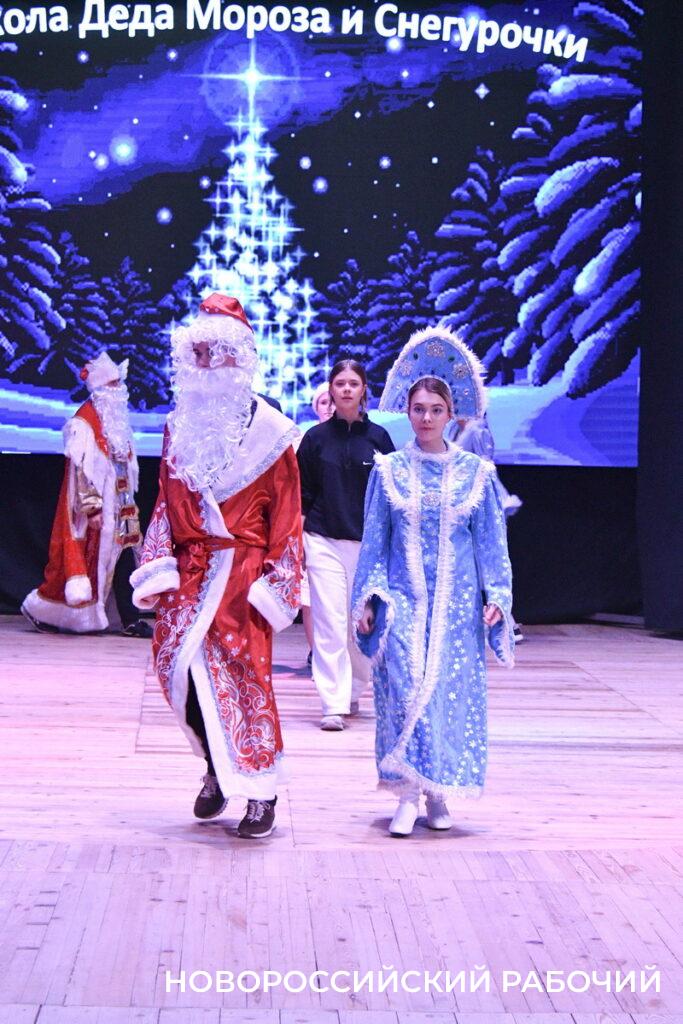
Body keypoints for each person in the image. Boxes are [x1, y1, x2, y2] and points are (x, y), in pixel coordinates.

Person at [130, 294, 302, 840]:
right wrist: (159, 564)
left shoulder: (273, 434)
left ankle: (261, 792)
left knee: (245, 679)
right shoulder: (177, 426)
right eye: (197, 352)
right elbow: (165, 500)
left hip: (243, 575)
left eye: (214, 352)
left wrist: (277, 583)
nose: (204, 363)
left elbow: (288, 516)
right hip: (189, 572)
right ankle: (216, 767)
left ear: (237, 357)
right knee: (176, 669)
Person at [352, 326, 515, 837]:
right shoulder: (389, 470)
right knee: (402, 691)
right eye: (418, 409)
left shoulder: (474, 473)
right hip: (402, 602)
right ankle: (406, 794)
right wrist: (369, 596)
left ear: (450, 414)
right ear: (407, 411)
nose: (426, 418)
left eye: (435, 410)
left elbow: (491, 543)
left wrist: (498, 596)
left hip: (455, 608)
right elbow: (374, 541)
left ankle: (438, 791)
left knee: (444, 696)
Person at [297, 359, 395, 731]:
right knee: (329, 621)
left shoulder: (379, 439)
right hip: (322, 540)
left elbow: (390, 498)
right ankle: (332, 702)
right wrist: (298, 543)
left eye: (354, 383)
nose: (347, 389)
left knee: (361, 624)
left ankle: (352, 690)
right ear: (331, 389)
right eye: (340, 383)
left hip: (367, 545)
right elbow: (301, 496)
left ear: (364, 389)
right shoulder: (314, 439)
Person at [21, 352, 148, 636]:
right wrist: (93, 508)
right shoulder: (83, 424)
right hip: (96, 510)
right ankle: (44, 610)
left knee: (123, 558)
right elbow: (81, 471)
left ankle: (129, 619)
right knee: (75, 564)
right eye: (113, 384)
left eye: (119, 383)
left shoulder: (117, 422)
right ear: (101, 388)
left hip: (122, 506)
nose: (119, 389)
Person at [302, 381, 334, 661]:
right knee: (310, 598)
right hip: (311, 529)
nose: (329, 407)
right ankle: (316, 653)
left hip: (344, 529)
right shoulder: (305, 439)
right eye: (323, 402)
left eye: (332, 401)